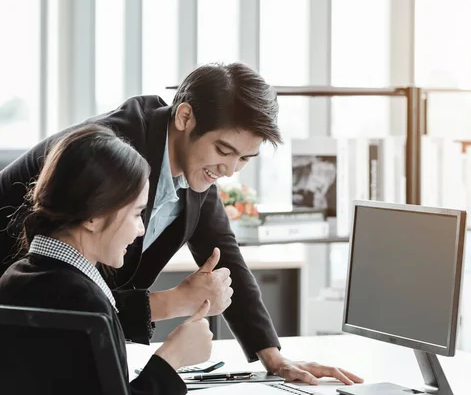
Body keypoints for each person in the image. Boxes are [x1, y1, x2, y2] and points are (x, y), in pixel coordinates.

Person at [0, 62, 362, 385]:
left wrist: (273, 356)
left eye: (244, 159)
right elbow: (65, 296)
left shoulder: (196, 170)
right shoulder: (111, 155)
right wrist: (173, 307)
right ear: (185, 117)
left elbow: (226, 257)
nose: (230, 170)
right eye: (223, 151)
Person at [0, 126, 214, 394]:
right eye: (137, 214)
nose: (141, 230)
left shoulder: (14, 277)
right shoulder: (83, 300)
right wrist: (172, 358)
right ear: (94, 215)